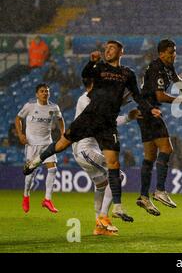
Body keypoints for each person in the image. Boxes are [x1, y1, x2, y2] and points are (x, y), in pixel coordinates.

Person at [23, 40, 161, 225]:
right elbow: (85, 75)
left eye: (112, 48)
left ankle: (117, 208)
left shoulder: (128, 73)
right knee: (62, 144)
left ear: (121, 51)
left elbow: (137, 95)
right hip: (89, 117)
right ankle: (36, 161)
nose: (108, 50)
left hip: (107, 123)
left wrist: (150, 109)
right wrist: (91, 62)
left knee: (114, 164)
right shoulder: (100, 68)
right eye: (106, 48)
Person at [72, 77, 141, 236]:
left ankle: (99, 226)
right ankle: (103, 216)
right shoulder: (85, 100)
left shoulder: (95, 100)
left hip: (89, 148)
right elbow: (105, 120)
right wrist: (125, 113)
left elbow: (108, 118)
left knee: (102, 185)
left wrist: (127, 114)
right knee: (118, 175)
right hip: (84, 148)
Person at [136, 39, 182, 216]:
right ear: (161, 53)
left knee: (149, 156)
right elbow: (160, 96)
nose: (173, 55)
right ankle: (160, 190)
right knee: (167, 149)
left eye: (174, 52)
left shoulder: (167, 67)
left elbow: (177, 80)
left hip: (144, 113)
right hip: (150, 112)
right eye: (170, 52)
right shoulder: (157, 68)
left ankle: (143, 197)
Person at [15, 83, 65, 213]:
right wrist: (20, 134)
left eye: (47, 91)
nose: (45, 93)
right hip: (32, 144)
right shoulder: (30, 106)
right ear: (37, 94)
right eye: (42, 91)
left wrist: (63, 134)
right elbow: (18, 118)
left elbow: (60, 119)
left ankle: (47, 199)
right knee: (30, 174)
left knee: (53, 169)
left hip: (47, 143)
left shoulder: (54, 107)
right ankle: (26, 196)